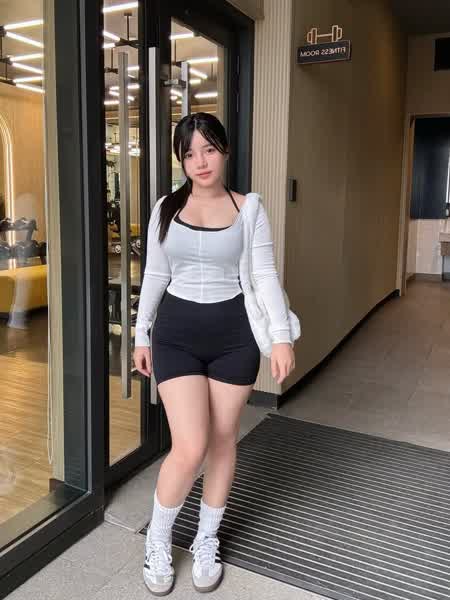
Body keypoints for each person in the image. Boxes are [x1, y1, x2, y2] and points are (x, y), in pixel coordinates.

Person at [133, 112, 296, 596]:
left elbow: (264, 275)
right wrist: (141, 335)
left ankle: (207, 539)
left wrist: (281, 336)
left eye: (208, 149)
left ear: (223, 150)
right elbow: (156, 275)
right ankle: (158, 539)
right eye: (189, 154)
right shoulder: (166, 208)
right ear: (181, 161)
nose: (200, 162)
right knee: (190, 445)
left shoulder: (249, 209)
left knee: (224, 438)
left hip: (234, 338)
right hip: (176, 335)